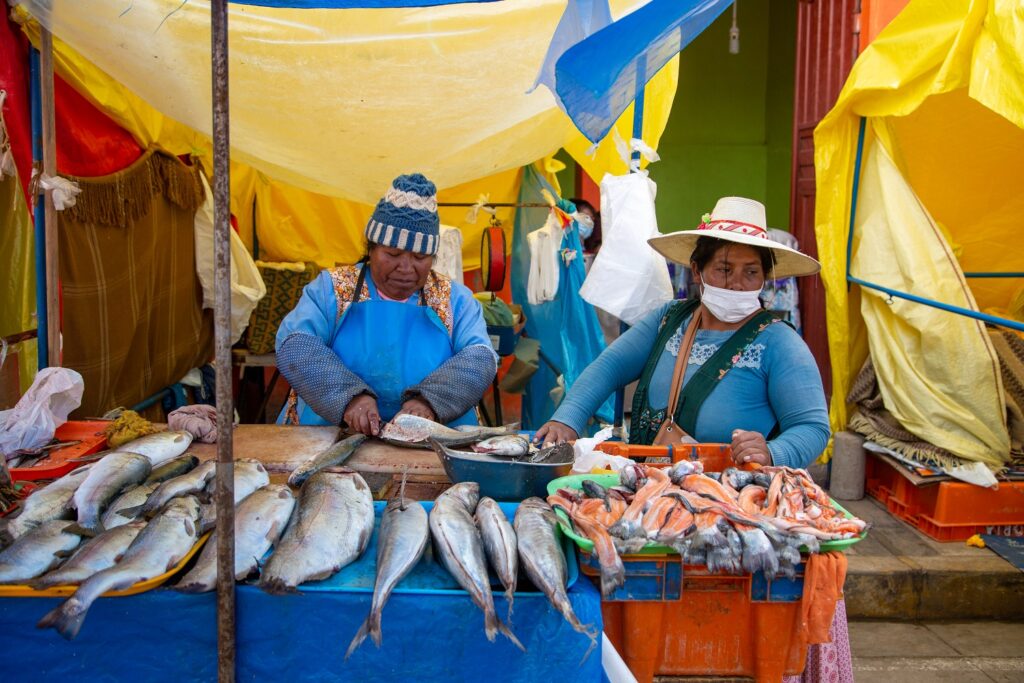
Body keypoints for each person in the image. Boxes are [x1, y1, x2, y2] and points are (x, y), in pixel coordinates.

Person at [535, 196, 829, 468]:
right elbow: (608, 368)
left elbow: (812, 427)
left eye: (751, 272)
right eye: (724, 270)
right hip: (649, 492)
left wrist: (773, 452)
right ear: (697, 270)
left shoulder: (780, 343)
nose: (738, 284)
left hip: (731, 503)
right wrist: (567, 419)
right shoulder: (669, 319)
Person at [275, 173, 498, 434]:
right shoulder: (331, 289)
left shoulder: (455, 300)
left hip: (428, 438)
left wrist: (429, 401)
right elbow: (295, 343)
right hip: (330, 434)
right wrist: (350, 398)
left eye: (420, 257)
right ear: (371, 248)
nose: (405, 268)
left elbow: (480, 357)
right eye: (392, 254)